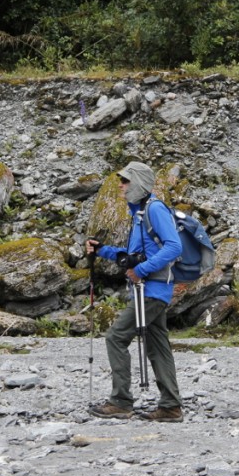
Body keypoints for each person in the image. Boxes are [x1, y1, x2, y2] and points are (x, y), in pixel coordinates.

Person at [85, 161, 185, 422]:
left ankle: (121, 401)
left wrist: (141, 271)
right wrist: (102, 250)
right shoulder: (139, 214)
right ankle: (171, 407)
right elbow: (132, 258)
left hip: (151, 291)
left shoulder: (155, 210)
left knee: (115, 337)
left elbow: (174, 247)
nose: (121, 185)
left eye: (125, 181)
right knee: (158, 347)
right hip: (150, 290)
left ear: (139, 183)